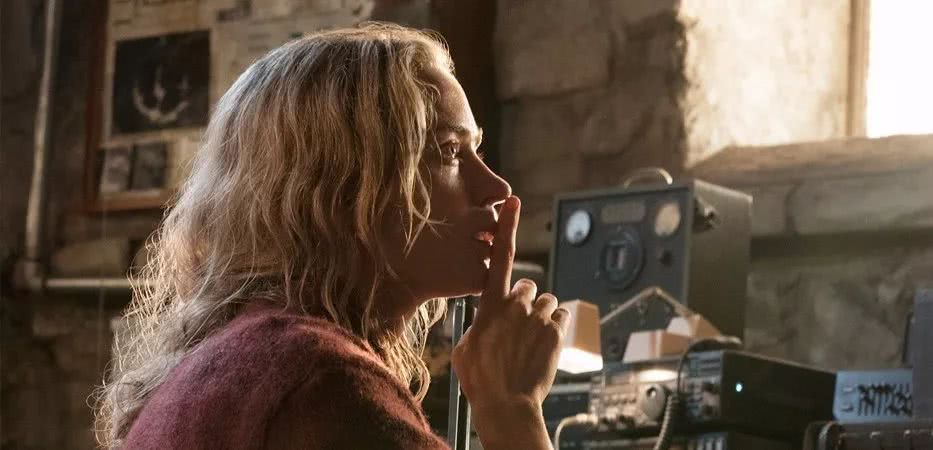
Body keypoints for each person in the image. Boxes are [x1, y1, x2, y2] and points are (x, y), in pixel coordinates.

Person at [95, 23, 570, 450]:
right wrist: (512, 409)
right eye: (448, 151)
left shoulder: (238, 362)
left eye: (476, 151)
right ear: (343, 186)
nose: (496, 188)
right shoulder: (324, 382)